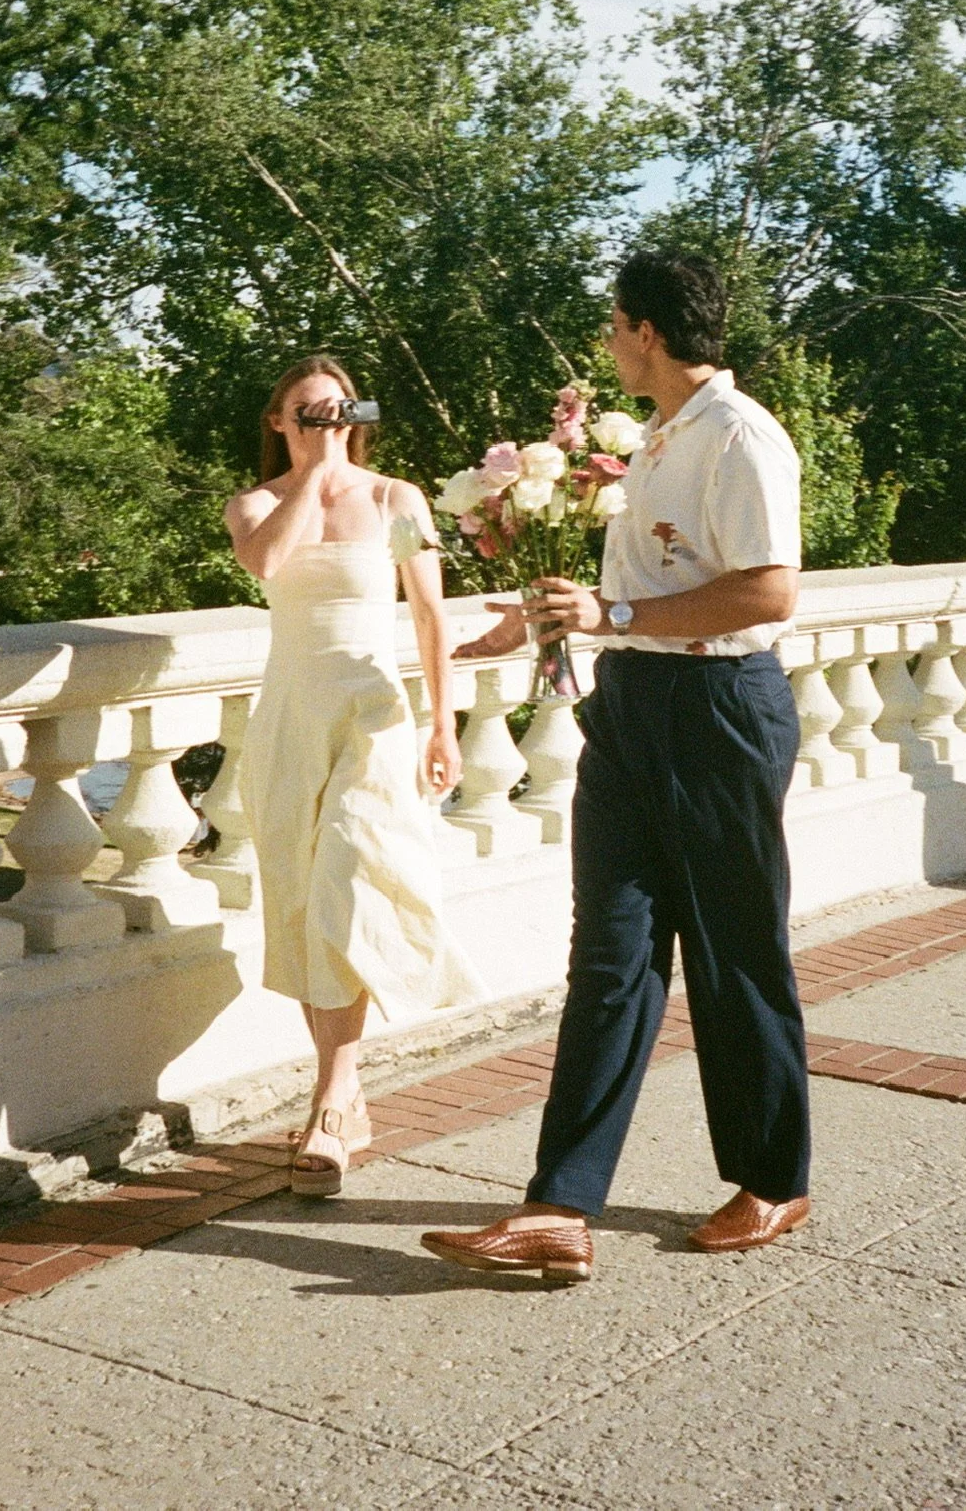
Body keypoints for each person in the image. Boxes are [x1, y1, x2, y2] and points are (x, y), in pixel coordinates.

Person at [422, 252, 808, 1285]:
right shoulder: (657, 441)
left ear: (644, 331)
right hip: (633, 701)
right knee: (612, 954)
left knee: (734, 950)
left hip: (719, 710)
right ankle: (559, 1206)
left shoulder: (740, 435)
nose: (606, 341)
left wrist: (618, 616)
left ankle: (773, 1179)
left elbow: (770, 593)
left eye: (611, 324)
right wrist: (544, 618)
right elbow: (644, 577)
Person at [226, 354, 482, 1198]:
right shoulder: (256, 504)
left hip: (373, 716)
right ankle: (346, 1100)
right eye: (304, 411)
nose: (322, 421)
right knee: (303, 905)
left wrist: (444, 722)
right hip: (291, 721)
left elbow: (431, 611)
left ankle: (332, 1099)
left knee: (346, 879)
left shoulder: (397, 501)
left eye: (335, 411)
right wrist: (314, 472)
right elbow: (266, 563)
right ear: (277, 420)